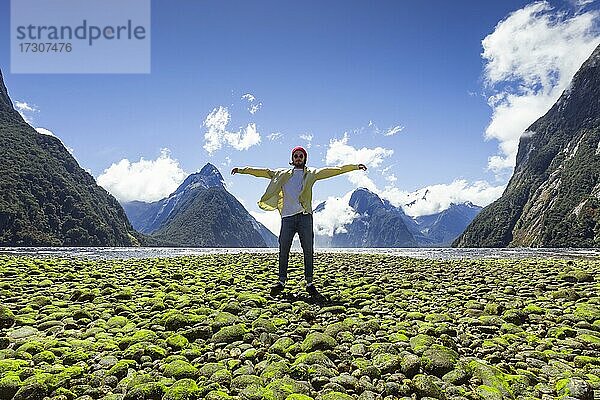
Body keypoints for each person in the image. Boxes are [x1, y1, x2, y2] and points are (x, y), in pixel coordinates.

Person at [231, 146, 367, 300]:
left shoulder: (312, 174)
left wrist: (354, 167)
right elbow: (261, 172)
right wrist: (242, 170)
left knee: (308, 249)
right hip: (287, 218)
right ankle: (281, 282)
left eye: (301, 156)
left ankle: (309, 283)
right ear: (292, 159)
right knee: (284, 249)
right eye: (295, 156)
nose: (298, 158)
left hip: (305, 217)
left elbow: (334, 170)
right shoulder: (281, 174)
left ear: (304, 158)